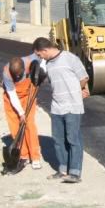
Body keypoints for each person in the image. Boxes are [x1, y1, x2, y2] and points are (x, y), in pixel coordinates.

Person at [32, 37, 89, 183]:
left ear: (45, 50)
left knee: (73, 139)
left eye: (39, 54)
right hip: (56, 107)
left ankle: (75, 173)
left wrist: (78, 90)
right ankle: (63, 170)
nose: (40, 57)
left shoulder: (70, 58)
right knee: (58, 140)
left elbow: (83, 77)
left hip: (72, 105)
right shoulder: (48, 64)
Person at [3, 54, 42, 172]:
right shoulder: (6, 73)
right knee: (15, 126)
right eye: (15, 76)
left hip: (29, 94)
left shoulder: (31, 61)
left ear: (24, 68)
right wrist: (21, 113)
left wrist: (41, 74)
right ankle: (23, 155)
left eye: (19, 74)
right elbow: (12, 94)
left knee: (29, 124)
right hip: (12, 98)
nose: (17, 77)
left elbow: (43, 59)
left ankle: (35, 157)